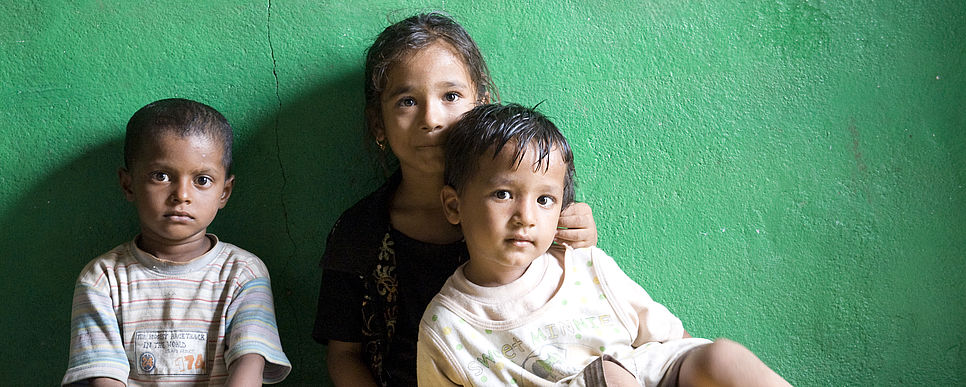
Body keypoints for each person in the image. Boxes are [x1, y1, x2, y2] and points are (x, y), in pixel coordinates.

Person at [312, 12, 599, 387]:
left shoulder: (529, 209)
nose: (432, 118)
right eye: (406, 101)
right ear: (378, 124)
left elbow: (577, 301)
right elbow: (345, 356)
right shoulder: (359, 232)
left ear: (481, 103)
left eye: (451, 96)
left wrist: (579, 239)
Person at [417, 103, 792, 387]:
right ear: (454, 205)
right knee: (608, 379)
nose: (525, 216)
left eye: (544, 200)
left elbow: (674, 339)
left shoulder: (585, 265)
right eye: (502, 194)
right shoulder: (447, 326)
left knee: (721, 357)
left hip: (644, 373)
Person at [62, 98, 291, 386]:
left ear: (225, 191)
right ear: (128, 184)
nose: (182, 194)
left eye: (203, 180)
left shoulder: (243, 273)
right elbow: (104, 378)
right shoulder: (102, 279)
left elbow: (249, 367)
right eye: (161, 176)